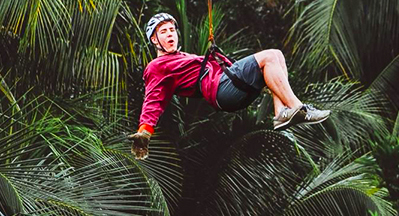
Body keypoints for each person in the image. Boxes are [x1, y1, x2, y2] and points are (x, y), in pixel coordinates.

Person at [129, 13, 330, 159]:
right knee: (270, 55)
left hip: (227, 86)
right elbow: (154, 99)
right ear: (154, 40)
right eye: (163, 32)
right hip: (221, 90)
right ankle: (297, 107)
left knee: (277, 56)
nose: (170, 34)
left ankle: (281, 113)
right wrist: (145, 131)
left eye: (172, 30)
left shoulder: (182, 57)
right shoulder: (156, 67)